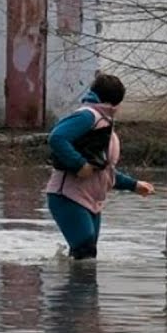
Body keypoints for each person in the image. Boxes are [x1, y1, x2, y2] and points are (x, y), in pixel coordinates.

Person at [45, 72, 154, 260]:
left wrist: (134, 185)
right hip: (67, 196)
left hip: (92, 201)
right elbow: (57, 137)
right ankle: (74, 287)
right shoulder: (88, 116)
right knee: (85, 248)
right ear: (117, 102)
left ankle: (74, 284)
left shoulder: (106, 125)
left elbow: (104, 172)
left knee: (87, 255)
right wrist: (79, 164)